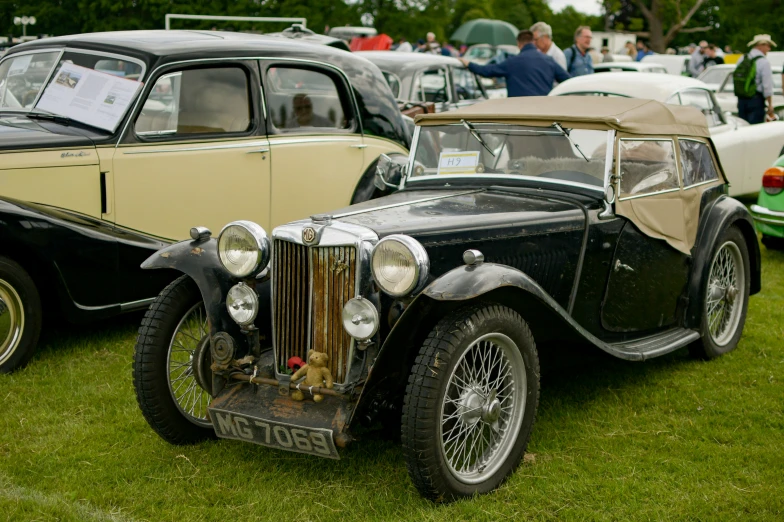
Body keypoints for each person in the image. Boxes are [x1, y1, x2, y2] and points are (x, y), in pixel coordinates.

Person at [459, 30, 570, 97]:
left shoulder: (512, 62)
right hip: (544, 114)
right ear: (533, 42)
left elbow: (486, 71)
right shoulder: (549, 60)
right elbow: (568, 81)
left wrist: (468, 63)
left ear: (518, 44)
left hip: (518, 115)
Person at [735, 34, 776, 124]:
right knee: (755, 130)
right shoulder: (763, 62)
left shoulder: (742, 58)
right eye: (768, 46)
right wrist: (770, 105)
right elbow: (767, 86)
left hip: (741, 100)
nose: (769, 49)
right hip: (756, 100)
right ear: (761, 45)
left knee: (743, 128)